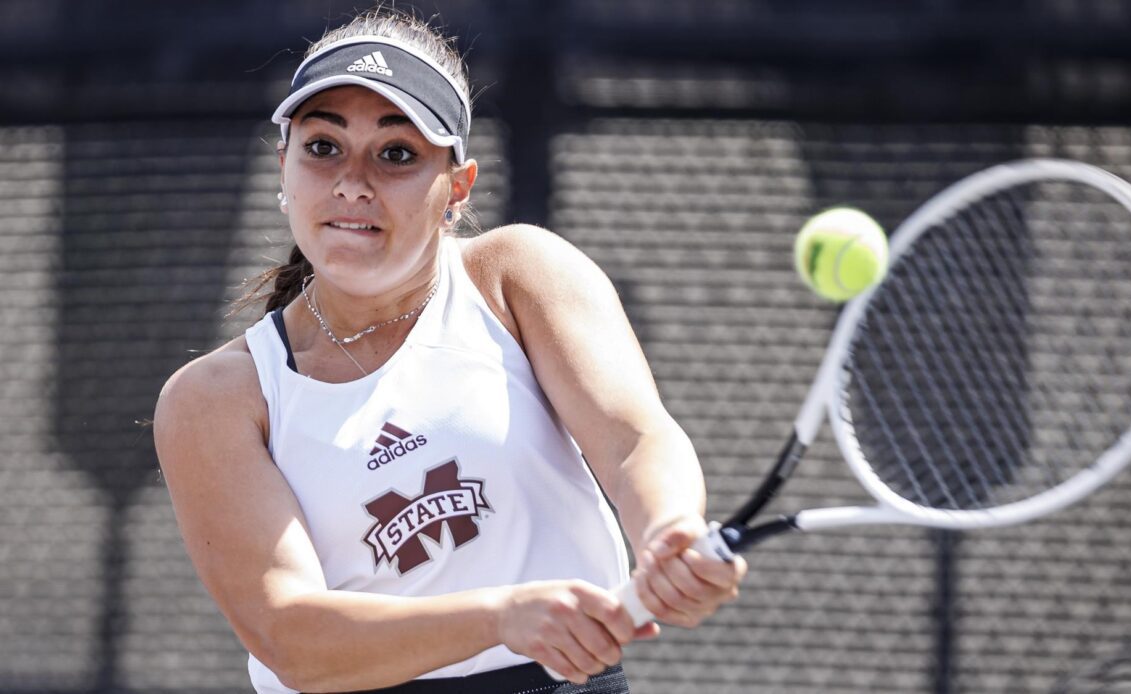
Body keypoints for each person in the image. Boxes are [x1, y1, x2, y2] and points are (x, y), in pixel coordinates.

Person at [153, 6, 746, 693]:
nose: (352, 181)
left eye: (397, 153)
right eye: (323, 146)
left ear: (456, 189)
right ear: (283, 165)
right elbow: (292, 636)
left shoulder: (518, 273)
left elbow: (635, 441)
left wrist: (670, 530)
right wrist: (500, 619)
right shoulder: (212, 399)